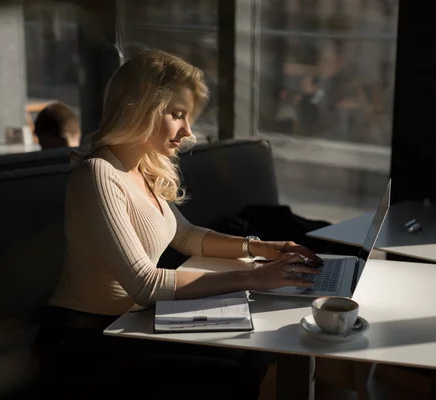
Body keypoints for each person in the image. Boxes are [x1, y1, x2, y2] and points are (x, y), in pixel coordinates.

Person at [34, 49, 323, 399]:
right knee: (236, 374)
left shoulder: (141, 168)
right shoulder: (98, 174)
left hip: (130, 325)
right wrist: (254, 276)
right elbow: (145, 283)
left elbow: (186, 236)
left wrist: (259, 247)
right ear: (141, 109)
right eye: (177, 115)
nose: (188, 131)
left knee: (251, 354)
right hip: (83, 341)